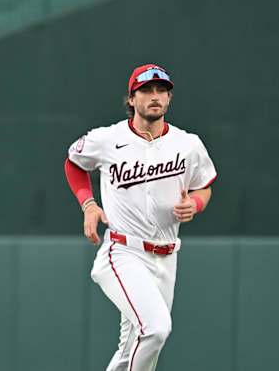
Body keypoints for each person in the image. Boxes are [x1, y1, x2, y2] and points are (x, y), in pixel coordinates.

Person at [64, 64, 216, 371]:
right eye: (146, 90)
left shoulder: (188, 144)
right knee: (156, 329)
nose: (154, 96)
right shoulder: (107, 139)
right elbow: (74, 162)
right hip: (123, 251)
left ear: (169, 99)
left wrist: (196, 205)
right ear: (131, 99)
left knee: (131, 347)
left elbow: (204, 185)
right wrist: (88, 204)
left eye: (161, 90)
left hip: (167, 256)